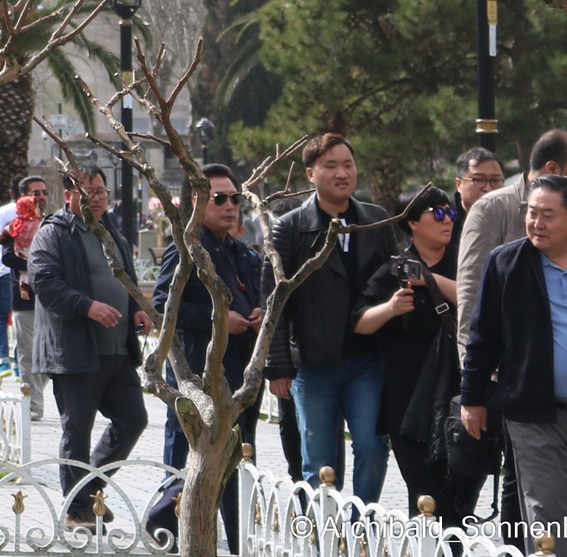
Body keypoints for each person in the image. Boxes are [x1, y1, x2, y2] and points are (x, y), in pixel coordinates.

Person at [461, 176, 567, 557]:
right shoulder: (507, 263)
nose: (536, 223)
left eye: (547, 216)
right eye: (531, 213)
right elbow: (482, 336)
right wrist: (472, 397)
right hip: (534, 416)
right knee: (547, 518)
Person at [265, 132, 394, 503]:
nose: (342, 173)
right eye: (331, 166)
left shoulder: (376, 220)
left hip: (366, 360)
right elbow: (275, 301)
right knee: (319, 462)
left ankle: (361, 527)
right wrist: (278, 366)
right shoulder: (289, 227)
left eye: (348, 165)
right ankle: (323, 533)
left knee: (372, 446)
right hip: (313, 363)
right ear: (310, 173)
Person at [149, 164, 264, 547]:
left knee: (238, 458)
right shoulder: (185, 249)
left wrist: (256, 312)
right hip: (198, 374)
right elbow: (164, 304)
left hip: (239, 374)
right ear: (197, 204)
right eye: (219, 199)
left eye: (235, 198)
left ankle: (235, 540)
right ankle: (168, 531)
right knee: (187, 461)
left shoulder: (240, 250)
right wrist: (218, 319)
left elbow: (253, 293)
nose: (230, 206)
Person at [30, 167, 149, 527]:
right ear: (68, 195)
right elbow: (44, 282)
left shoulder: (112, 232)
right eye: (88, 192)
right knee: (77, 431)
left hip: (117, 351)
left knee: (133, 420)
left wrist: (138, 307)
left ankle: (89, 489)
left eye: (101, 191)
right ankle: (77, 510)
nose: (97, 198)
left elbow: (125, 280)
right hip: (77, 352)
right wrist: (87, 306)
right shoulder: (55, 234)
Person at [358, 183, 477, 525]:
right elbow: (359, 323)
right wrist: (390, 309)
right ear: (411, 222)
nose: (447, 220)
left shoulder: (463, 260)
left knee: (462, 497)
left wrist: (432, 281)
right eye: (437, 213)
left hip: (461, 396)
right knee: (425, 494)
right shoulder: (394, 269)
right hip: (409, 401)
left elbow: (480, 298)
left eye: (450, 212)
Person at [459, 132, 567, 353]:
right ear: (552, 169)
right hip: (504, 373)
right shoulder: (492, 209)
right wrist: (472, 374)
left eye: (548, 216)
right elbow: (471, 295)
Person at [0, 176, 47, 377]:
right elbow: (8, 255)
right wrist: (38, 266)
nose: (41, 197)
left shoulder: (49, 222)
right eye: (36, 193)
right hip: (24, 293)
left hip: (49, 294)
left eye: (44, 192)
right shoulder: (16, 224)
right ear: (23, 197)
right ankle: (11, 366)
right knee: (24, 343)